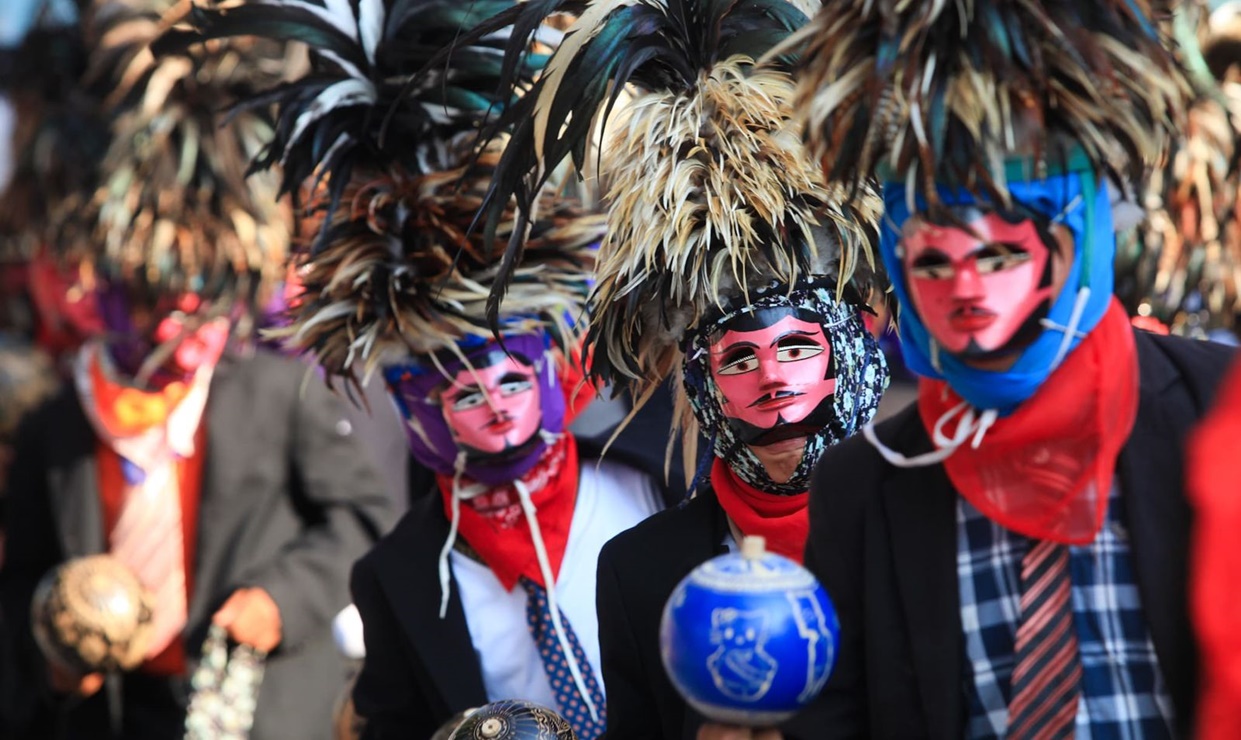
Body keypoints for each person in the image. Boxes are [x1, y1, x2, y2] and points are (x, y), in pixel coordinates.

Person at [167, 2, 679, 738]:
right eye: (466, 394)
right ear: (421, 412)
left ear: (551, 370)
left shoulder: (653, 483)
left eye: (511, 380)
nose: (496, 407)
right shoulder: (399, 575)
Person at [790, 1, 1236, 737]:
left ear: (1080, 228)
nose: (967, 291)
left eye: (999, 254)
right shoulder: (860, 490)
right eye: (935, 262)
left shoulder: (1220, 410)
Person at [478, 0, 890, 737]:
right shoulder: (640, 572)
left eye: (799, 348)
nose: (772, 380)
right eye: (739, 358)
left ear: (854, 353)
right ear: (701, 387)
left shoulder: (925, 526)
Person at [0, 2, 392, 738]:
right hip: (116, 716)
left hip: (264, 708)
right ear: (107, 294)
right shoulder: (56, 423)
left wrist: (281, 598)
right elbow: (20, 577)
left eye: (197, 311)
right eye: (157, 310)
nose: (179, 338)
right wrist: (53, 651)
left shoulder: (277, 394)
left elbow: (365, 516)